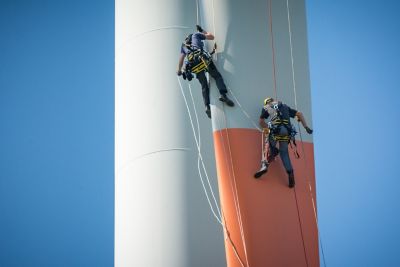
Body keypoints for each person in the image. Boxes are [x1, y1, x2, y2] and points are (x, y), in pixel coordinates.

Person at [177, 25, 234, 118]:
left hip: (194, 66)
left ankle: (207, 106)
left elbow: (181, 60)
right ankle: (223, 95)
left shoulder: (183, 46)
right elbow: (212, 37)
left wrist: (178, 71)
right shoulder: (196, 35)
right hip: (203, 60)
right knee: (217, 76)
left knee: (204, 86)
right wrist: (202, 31)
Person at [254, 97, 313, 188]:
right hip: (287, 132)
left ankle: (265, 165)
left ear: (266, 102)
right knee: (284, 153)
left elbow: (261, 122)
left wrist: (267, 131)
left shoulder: (266, 107)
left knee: (268, 145)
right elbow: (299, 114)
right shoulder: (285, 106)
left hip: (276, 130)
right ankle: (290, 174)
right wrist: (306, 127)